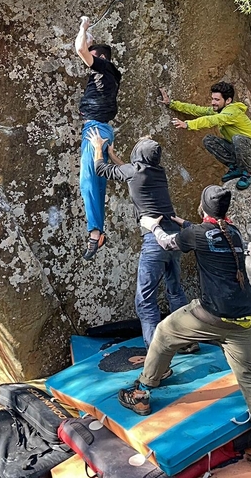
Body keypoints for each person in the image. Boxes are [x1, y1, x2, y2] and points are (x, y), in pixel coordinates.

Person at [118, 185, 251, 474]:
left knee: (165, 333)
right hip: (243, 321)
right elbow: (206, 232)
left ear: (203, 207)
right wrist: (181, 220)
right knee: (250, 380)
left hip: (211, 315)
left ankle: (142, 393)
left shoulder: (197, 235)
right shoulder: (233, 232)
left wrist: (151, 225)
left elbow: (168, 244)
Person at [87, 126, 198, 354]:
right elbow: (129, 170)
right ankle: (188, 341)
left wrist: (99, 148)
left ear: (138, 157)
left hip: (154, 240)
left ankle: (156, 352)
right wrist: (113, 153)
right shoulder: (158, 171)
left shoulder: (135, 172)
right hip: (173, 238)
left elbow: (100, 169)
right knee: (175, 291)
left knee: (145, 300)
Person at [160, 81, 251, 190]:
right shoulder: (219, 111)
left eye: (217, 100)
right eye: (212, 99)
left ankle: (247, 173)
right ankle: (236, 167)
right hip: (239, 149)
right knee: (209, 140)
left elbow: (212, 120)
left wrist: (187, 124)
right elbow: (196, 109)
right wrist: (171, 103)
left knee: (238, 139)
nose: (213, 102)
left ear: (228, 100)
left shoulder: (233, 112)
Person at [75, 16, 122, 260]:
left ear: (100, 58)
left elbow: (80, 49)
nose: (87, 63)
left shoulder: (104, 67)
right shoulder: (110, 73)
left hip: (95, 130)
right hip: (100, 129)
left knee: (88, 180)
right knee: (97, 182)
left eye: (93, 58)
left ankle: (95, 232)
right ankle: (98, 232)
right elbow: (87, 50)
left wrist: (83, 28)